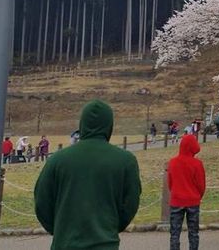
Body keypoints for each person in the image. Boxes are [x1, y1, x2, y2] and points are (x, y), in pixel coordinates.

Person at [34, 100, 141, 250]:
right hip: (105, 243)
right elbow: (130, 204)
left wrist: (59, 229)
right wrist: (111, 227)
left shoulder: (57, 160)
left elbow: (42, 202)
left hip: (65, 243)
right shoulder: (126, 161)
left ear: (82, 124)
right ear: (109, 125)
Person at [168, 134, 206, 250]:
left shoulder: (172, 162)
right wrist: (199, 196)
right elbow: (201, 184)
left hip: (176, 200)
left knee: (175, 233)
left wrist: (175, 192)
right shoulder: (197, 164)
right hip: (192, 200)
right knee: (193, 233)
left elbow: (170, 183)